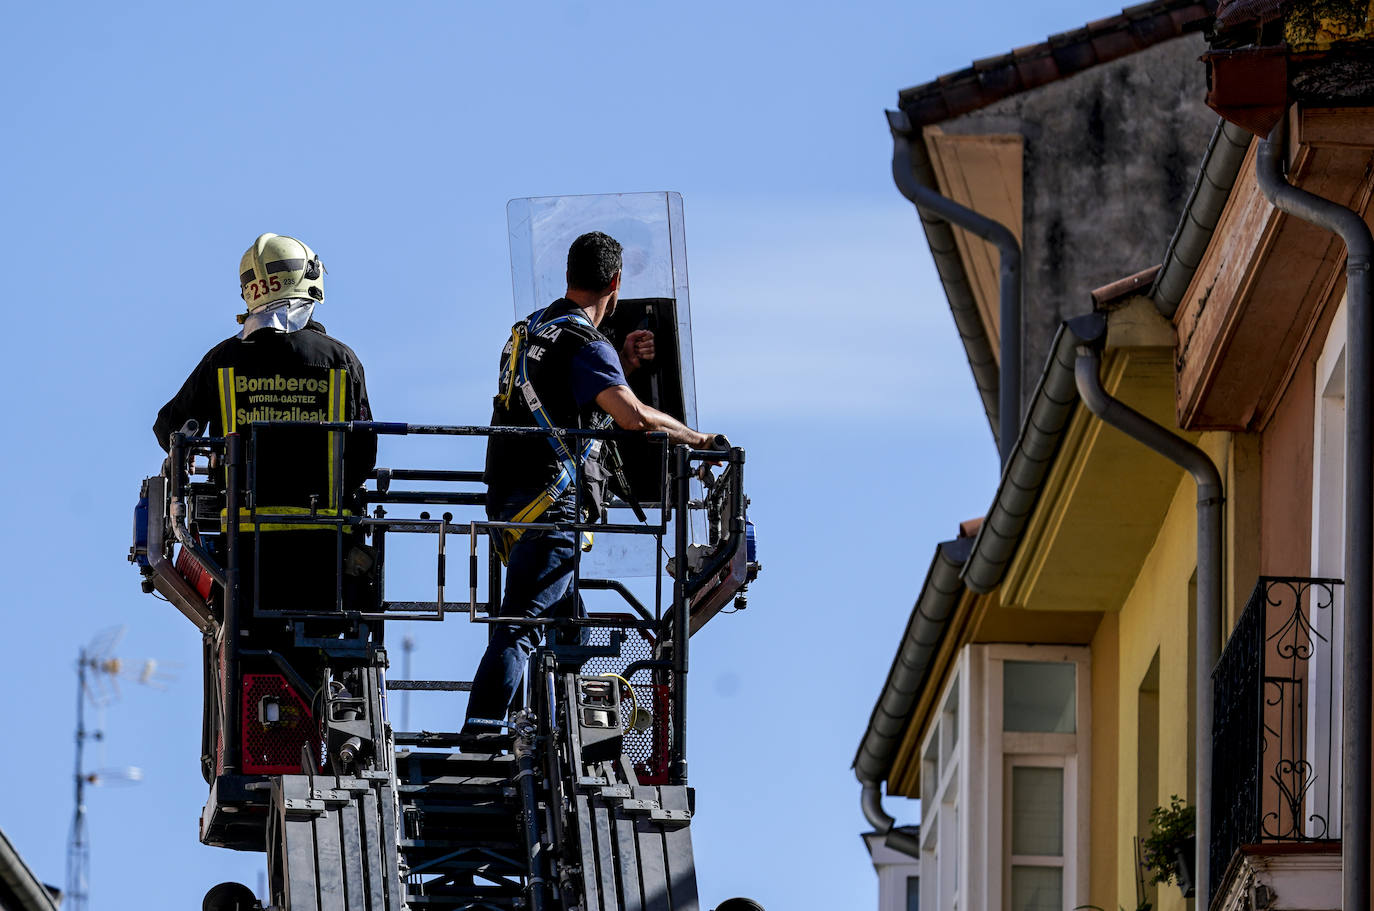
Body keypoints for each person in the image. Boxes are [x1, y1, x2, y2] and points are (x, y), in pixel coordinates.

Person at [463, 231, 723, 733]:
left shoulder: (529, 331)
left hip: (511, 506)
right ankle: (480, 734)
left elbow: (562, 404)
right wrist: (694, 436)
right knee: (520, 625)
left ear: (568, 276)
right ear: (616, 284)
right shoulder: (585, 342)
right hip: (550, 511)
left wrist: (619, 365)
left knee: (569, 627)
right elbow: (630, 418)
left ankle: (561, 732)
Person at [154, 232, 377, 614]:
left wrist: (191, 450)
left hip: (244, 548)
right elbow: (364, 454)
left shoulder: (222, 359)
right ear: (309, 281)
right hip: (324, 547)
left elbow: (170, 429)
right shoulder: (341, 359)